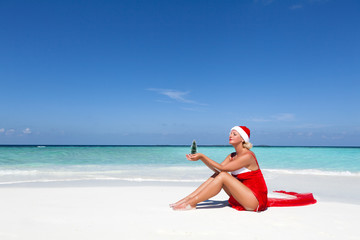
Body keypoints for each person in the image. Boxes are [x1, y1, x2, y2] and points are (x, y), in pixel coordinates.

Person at [170, 126, 268, 211]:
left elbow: (223, 168)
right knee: (219, 174)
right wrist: (201, 159)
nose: (230, 136)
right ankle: (187, 199)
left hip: (255, 200)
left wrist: (203, 156)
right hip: (241, 197)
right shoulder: (232, 156)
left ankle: (191, 203)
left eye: (234, 134)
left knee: (223, 175)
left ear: (243, 139)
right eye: (230, 134)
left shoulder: (248, 156)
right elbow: (218, 170)